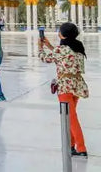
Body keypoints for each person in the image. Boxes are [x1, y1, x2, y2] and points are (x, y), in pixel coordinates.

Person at [39, 22, 89, 158]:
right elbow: (62, 56)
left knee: (71, 118)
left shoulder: (62, 50)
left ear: (63, 35)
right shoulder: (78, 46)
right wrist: (49, 45)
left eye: (59, 31)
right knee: (70, 117)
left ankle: (81, 147)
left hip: (65, 86)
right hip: (76, 84)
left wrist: (40, 48)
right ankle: (71, 145)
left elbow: (46, 58)